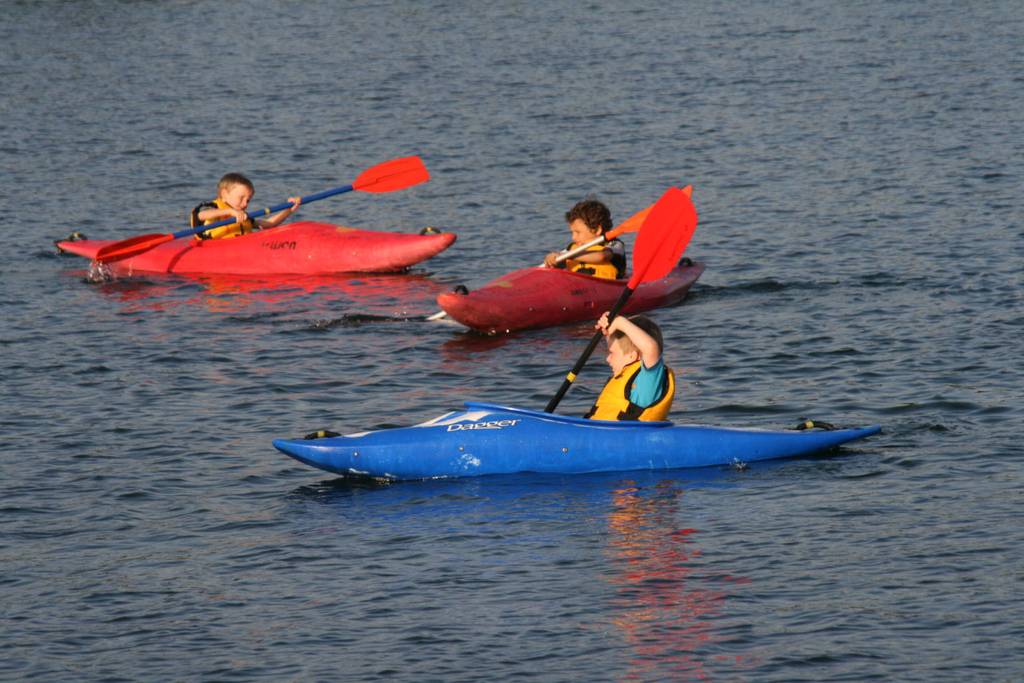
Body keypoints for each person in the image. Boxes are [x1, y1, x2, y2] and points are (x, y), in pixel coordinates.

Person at [585, 312, 675, 421]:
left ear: (633, 355)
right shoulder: (623, 380)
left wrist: (620, 323)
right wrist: (611, 321)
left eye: (611, 352)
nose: (607, 359)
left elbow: (651, 349)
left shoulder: (646, 384)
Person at [190, 173, 301, 240]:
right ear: (224, 194)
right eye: (241, 198)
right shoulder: (214, 208)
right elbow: (201, 215)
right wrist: (230, 212)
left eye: (248, 200)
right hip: (215, 249)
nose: (245, 204)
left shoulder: (243, 216)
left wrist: (289, 210)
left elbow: (269, 224)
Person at [543, 197, 625, 279]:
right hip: (577, 288)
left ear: (597, 230)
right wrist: (553, 259)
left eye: (578, 232)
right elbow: (560, 263)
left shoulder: (615, 244)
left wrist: (569, 255)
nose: (573, 237)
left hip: (608, 287)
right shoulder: (572, 248)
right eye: (572, 232)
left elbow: (601, 256)